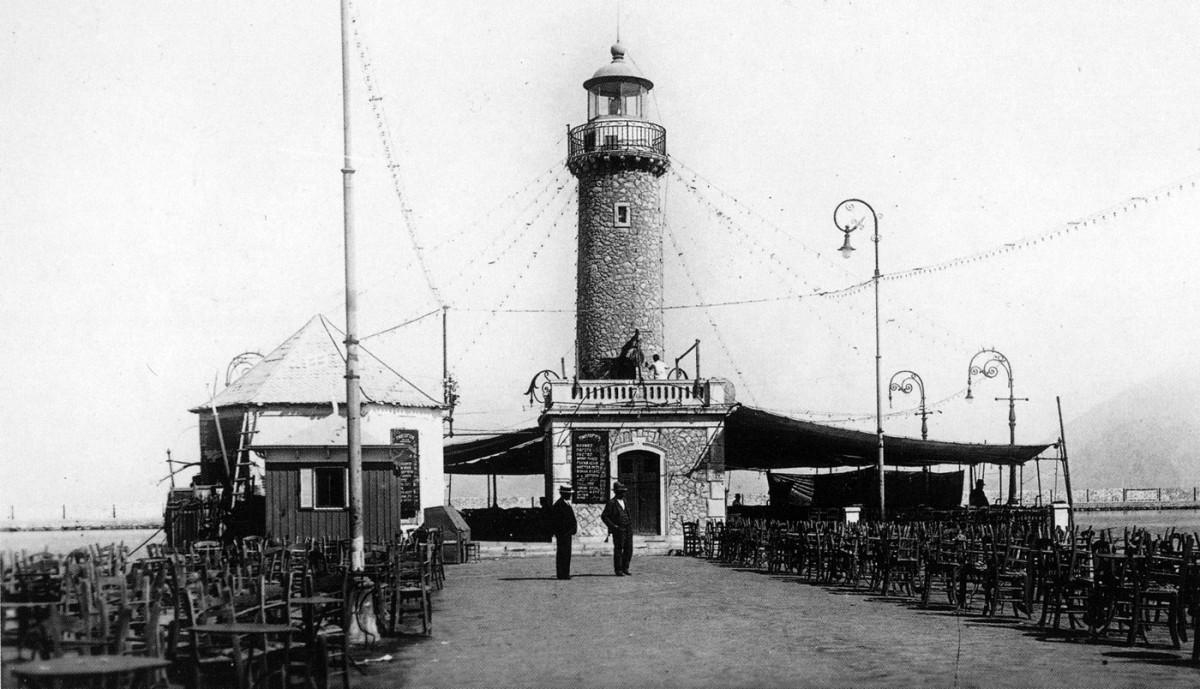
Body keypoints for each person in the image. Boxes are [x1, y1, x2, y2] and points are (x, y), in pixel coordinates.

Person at [601, 481, 634, 576]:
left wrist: (630, 526)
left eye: (624, 491)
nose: (623, 493)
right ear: (616, 492)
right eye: (621, 492)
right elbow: (604, 516)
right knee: (619, 549)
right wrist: (613, 526)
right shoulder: (611, 503)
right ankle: (618, 569)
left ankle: (625, 567)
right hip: (619, 529)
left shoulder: (625, 501)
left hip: (628, 528)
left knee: (629, 549)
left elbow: (627, 514)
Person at [549, 485, 577, 580]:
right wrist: (561, 532)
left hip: (567, 533)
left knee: (567, 553)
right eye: (568, 494)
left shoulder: (566, 504)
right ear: (562, 494)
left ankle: (565, 573)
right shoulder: (559, 505)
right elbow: (556, 521)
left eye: (570, 494)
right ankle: (562, 574)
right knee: (562, 554)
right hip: (563, 534)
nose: (570, 496)